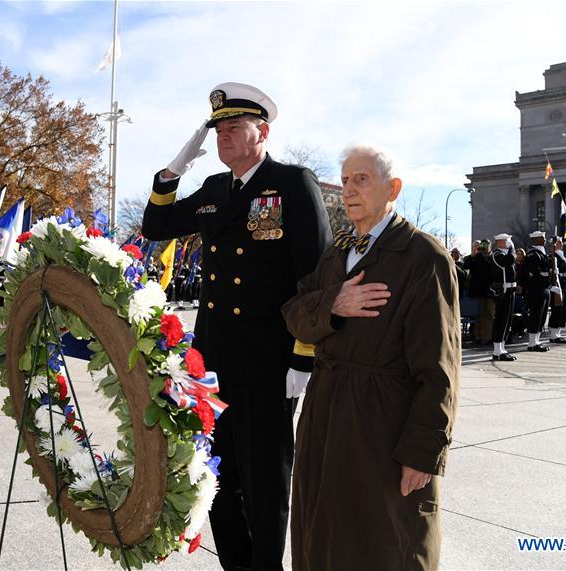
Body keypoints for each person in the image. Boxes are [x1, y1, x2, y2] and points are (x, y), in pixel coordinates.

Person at [141, 82, 331, 570]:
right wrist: (171, 173)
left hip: (270, 363)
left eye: (233, 128)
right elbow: (156, 228)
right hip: (215, 362)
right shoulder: (212, 190)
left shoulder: (292, 183)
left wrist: (304, 355)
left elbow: (315, 278)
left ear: (261, 132)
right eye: (218, 130)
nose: (223, 137)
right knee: (216, 477)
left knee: (265, 482)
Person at [283, 144, 458, 570]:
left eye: (361, 179)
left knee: (383, 544)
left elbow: (440, 369)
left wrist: (422, 451)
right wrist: (334, 303)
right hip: (324, 419)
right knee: (321, 539)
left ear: (393, 188)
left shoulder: (422, 256)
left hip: (382, 425)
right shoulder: (337, 253)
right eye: (345, 180)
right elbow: (294, 317)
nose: (348, 190)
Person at [490, 233, 517, 361]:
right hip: (502, 291)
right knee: (501, 320)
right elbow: (508, 261)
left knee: (507, 320)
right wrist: (512, 249)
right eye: (507, 241)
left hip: (510, 290)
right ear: (500, 242)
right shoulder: (496, 254)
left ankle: (502, 348)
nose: (509, 243)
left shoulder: (505, 254)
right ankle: (497, 350)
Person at [522, 231, 551, 352]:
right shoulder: (533, 255)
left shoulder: (542, 253)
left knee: (541, 317)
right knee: (535, 316)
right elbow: (535, 274)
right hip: (535, 289)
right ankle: (532, 343)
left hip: (542, 289)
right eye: (542, 238)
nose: (544, 240)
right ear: (535, 240)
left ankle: (537, 341)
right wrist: (547, 277)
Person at [463, 240, 493, 344]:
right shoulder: (475, 257)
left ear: (490, 247)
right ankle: (478, 337)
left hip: (490, 292)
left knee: (489, 315)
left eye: (486, 247)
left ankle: (488, 337)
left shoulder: (494, 257)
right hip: (478, 291)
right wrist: (472, 255)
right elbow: (465, 266)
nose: (484, 250)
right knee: (478, 314)